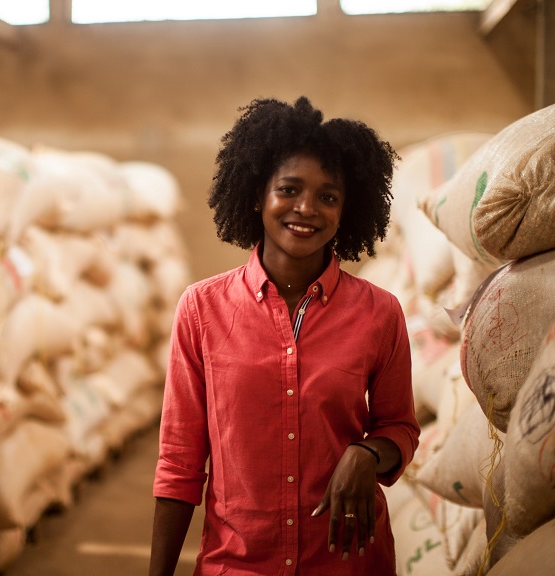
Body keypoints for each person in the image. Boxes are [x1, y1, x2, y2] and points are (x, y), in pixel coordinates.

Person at [149, 96, 420, 576]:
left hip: (346, 562)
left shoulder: (380, 312)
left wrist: (367, 452)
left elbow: (400, 427)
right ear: (258, 196)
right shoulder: (201, 309)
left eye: (328, 196)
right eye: (289, 189)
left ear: (345, 209)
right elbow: (179, 461)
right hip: (238, 564)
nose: (306, 209)